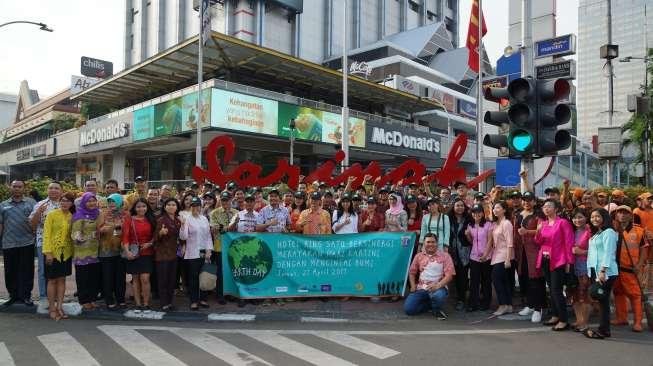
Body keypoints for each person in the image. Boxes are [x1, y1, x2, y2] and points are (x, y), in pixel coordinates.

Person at [535, 199, 574, 331]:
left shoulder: (563, 222)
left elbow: (569, 243)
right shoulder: (543, 223)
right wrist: (538, 230)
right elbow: (538, 241)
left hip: (558, 260)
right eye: (544, 207)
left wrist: (569, 261)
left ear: (556, 208)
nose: (546, 209)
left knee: (557, 290)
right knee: (551, 289)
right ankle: (555, 315)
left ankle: (563, 319)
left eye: (549, 206)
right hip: (545, 259)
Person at [584, 208, 619, 339]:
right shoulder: (596, 233)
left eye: (598, 216)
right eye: (592, 217)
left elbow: (609, 252)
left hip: (606, 271)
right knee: (602, 301)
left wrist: (603, 271)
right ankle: (604, 330)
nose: (594, 219)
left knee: (597, 295)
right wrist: (591, 271)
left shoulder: (609, 232)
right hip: (595, 270)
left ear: (604, 217)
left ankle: (603, 329)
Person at [612, 205, 648, 332]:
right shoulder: (612, 229)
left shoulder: (639, 231)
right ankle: (621, 318)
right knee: (618, 293)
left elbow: (644, 250)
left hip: (631, 269)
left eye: (625, 212)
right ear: (616, 215)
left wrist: (639, 265)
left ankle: (638, 322)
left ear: (630, 215)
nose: (622, 215)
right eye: (619, 212)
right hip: (615, 269)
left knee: (635, 295)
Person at [2, 181, 38, 307]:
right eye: (14, 186)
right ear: (10, 188)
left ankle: (26, 296)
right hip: (9, 243)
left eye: (19, 187)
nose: (17, 189)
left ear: (24, 188)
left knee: (27, 271)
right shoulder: (3, 205)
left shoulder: (31, 203)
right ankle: (13, 296)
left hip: (27, 242)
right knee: (10, 271)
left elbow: (36, 221)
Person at [404, 233, 455, 320]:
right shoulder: (419, 256)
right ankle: (430, 305)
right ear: (424, 243)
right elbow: (412, 272)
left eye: (433, 242)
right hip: (421, 288)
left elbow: (449, 275)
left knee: (438, 296)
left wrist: (437, 286)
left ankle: (436, 309)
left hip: (439, 288)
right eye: (428, 242)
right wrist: (412, 286)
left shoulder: (445, 256)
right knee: (409, 310)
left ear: (437, 243)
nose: (430, 244)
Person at [42, 192, 75, 320]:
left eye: (67, 201)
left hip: (66, 254)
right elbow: (46, 234)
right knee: (52, 280)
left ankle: (60, 306)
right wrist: (48, 252)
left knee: (62, 280)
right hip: (52, 253)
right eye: (62, 200)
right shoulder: (52, 215)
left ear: (71, 203)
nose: (64, 203)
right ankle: (51, 307)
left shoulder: (73, 217)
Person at [515, 191, 546, 323]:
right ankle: (530, 305)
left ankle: (539, 309)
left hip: (534, 251)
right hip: (521, 252)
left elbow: (542, 231)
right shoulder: (518, 214)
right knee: (524, 279)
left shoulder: (539, 215)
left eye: (529, 200)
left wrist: (527, 232)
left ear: (534, 201)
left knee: (536, 280)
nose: (526, 202)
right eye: (524, 200)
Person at [29, 181, 62, 303]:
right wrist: (38, 213)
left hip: (61, 244)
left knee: (59, 271)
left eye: (56, 188)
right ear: (47, 190)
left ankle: (58, 297)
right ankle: (44, 297)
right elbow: (32, 225)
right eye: (51, 188)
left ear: (61, 191)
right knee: (43, 270)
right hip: (43, 242)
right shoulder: (40, 204)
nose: (53, 190)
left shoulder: (65, 205)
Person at [122, 198, 156, 312]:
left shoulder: (151, 219)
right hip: (133, 252)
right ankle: (138, 303)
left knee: (145, 278)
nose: (141, 209)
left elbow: (155, 236)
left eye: (144, 206)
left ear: (147, 207)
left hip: (147, 253)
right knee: (135, 278)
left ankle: (146, 303)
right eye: (138, 207)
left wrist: (150, 243)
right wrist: (127, 252)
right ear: (134, 208)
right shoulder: (129, 219)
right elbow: (125, 237)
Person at [179, 197, 213, 310]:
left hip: (204, 252)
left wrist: (209, 250)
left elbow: (208, 236)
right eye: (193, 205)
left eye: (198, 205)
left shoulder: (204, 219)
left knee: (204, 276)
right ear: (191, 206)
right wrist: (183, 225)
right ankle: (193, 300)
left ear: (200, 206)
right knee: (193, 278)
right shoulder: (187, 219)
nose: (196, 207)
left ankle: (203, 299)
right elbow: (183, 237)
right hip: (192, 252)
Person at [71, 192, 102, 310]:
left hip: (95, 252)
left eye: (93, 201)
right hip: (82, 252)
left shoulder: (98, 214)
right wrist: (89, 235)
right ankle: (83, 300)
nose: (92, 203)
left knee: (93, 277)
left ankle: (92, 298)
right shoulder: (78, 215)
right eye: (89, 201)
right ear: (84, 202)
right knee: (83, 277)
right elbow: (75, 235)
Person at [483, 201, 515, 316]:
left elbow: (510, 243)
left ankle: (503, 305)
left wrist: (507, 259)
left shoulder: (506, 223)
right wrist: (485, 255)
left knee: (497, 280)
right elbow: (491, 242)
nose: (495, 210)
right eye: (494, 208)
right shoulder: (496, 224)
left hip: (504, 256)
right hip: (497, 255)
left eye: (498, 208)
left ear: (504, 210)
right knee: (504, 281)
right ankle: (509, 305)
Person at [97, 193, 127, 310]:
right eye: (109, 202)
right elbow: (97, 232)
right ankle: (109, 300)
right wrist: (102, 230)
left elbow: (130, 231)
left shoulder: (126, 215)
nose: (112, 204)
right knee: (107, 277)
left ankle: (121, 299)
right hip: (106, 251)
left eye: (114, 201)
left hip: (121, 250)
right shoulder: (103, 214)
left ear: (120, 202)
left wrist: (122, 231)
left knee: (120, 277)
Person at [209, 192, 238, 304]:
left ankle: (231, 293)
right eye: (223, 200)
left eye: (227, 200)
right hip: (219, 246)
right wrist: (229, 227)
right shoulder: (214, 213)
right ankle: (220, 294)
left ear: (231, 200)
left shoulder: (236, 212)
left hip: (234, 247)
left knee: (232, 271)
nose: (225, 202)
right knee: (221, 272)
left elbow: (238, 228)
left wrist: (226, 227)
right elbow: (215, 229)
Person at [466, 204, 493, 312]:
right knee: (474, 281)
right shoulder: (470, 225)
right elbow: (471, 242)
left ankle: (486, 303)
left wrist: (485, 254)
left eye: (478, 212)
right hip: (474, 257)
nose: (476, 214)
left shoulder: (488, 224)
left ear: (482, 213)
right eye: (474, 212)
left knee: (486, 281)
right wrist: (467, 235)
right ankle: (473, 303)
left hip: (486, 257)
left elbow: (490, 241)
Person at [569, 208, 592, 332]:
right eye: (575, 218)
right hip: (573, 265)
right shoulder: (572, 231)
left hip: (585, 265)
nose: (577, 220)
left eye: (580, 217)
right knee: (575, 294)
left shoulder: (590, 231)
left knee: (584, 294)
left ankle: (584, 322)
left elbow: (598, 251)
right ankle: (578, 320)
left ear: (586, 218)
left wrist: (582, 252)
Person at [448, 198, 472, 311]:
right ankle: (456, 297)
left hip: (465, 252)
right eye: (457, 205)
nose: (460, 208)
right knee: (454, 276)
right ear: (453, 207)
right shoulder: (448, 219)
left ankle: (462, 299)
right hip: (452, 252)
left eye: (462, 205)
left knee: (463, 276)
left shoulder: (469, 219)